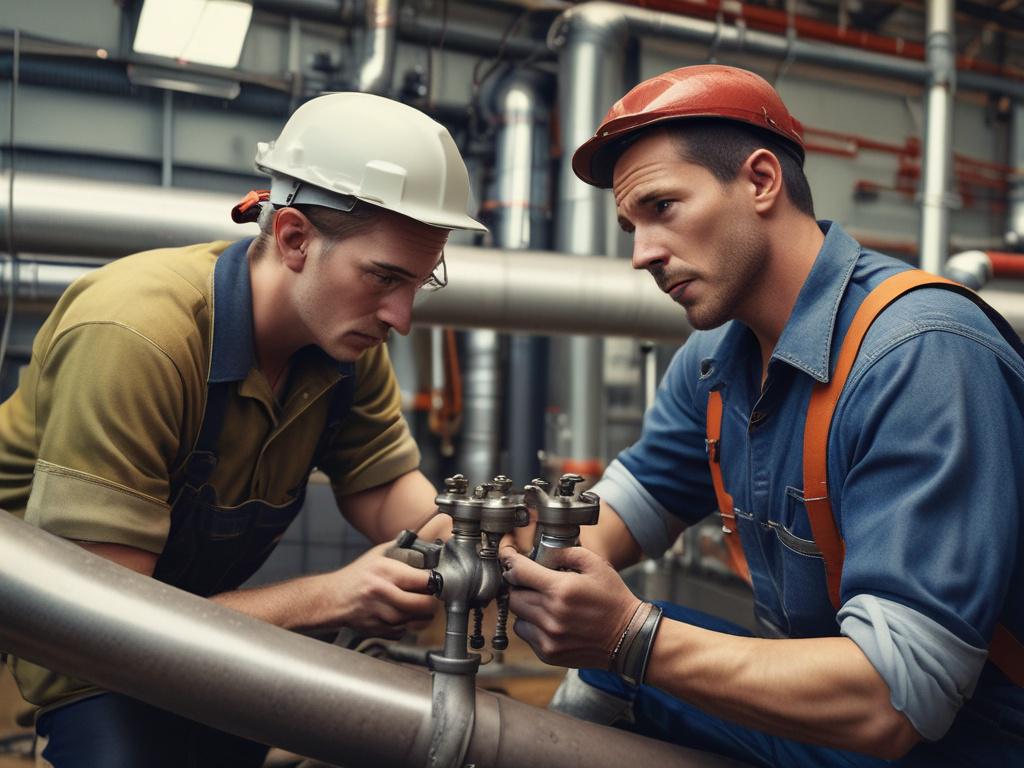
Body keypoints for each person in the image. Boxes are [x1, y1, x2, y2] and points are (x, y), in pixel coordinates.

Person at [501, 64, 1023, 766]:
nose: (641, 255)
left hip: (964, 738)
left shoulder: (919, 354)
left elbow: (898, 697)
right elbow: (629, 508)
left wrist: (631, 634)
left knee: (629, 657)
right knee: (612, 669)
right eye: (631, 226)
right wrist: (506, 559)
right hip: (847, 723)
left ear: (760, 181)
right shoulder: (717, 357)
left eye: (662, 208)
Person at [0, 92, 486, 767]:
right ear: (293, 238)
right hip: (84, 646)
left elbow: (382, 488)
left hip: (206, 633)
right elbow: (103, 622)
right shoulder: (140, 335)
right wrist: (334, 595)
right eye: (383, 277)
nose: (401, 317)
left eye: (419, 281)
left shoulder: (345, 346)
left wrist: (464, 543)